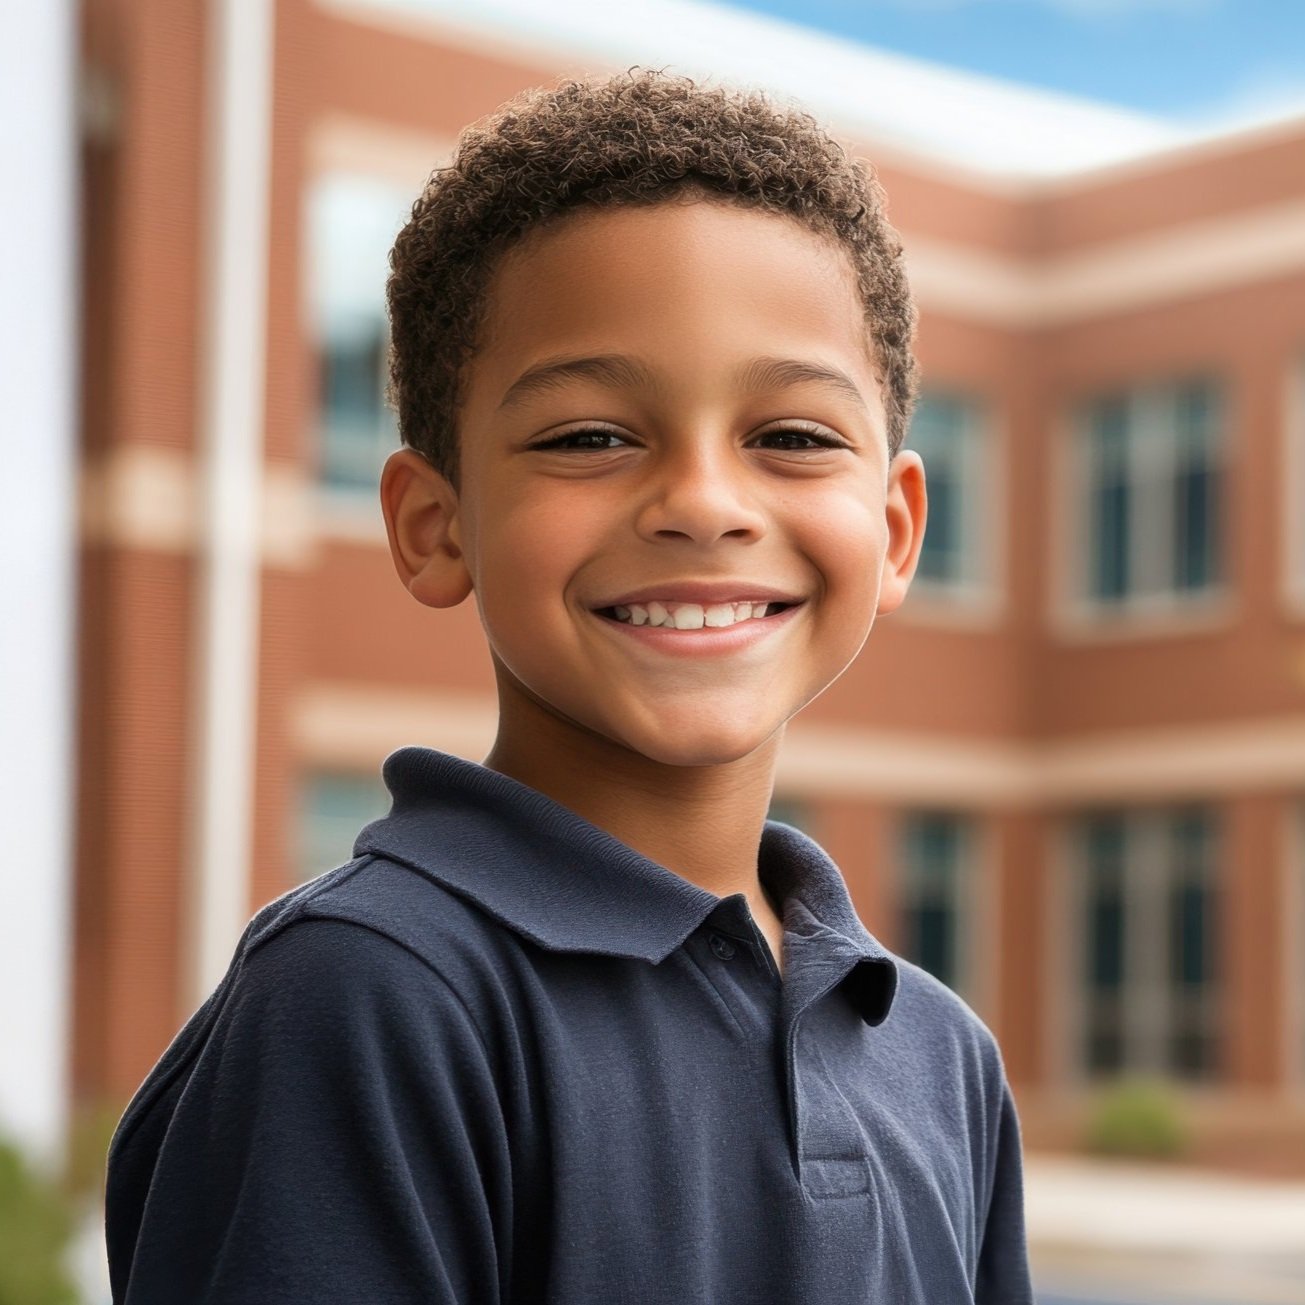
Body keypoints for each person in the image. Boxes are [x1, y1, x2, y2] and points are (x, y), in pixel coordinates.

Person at [106, 68, 1033, 1303]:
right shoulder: (372, 998)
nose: (705, 502)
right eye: (591, 436)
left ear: (899, 525)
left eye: (793, 437)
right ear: (436, 526)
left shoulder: (939, 1055)